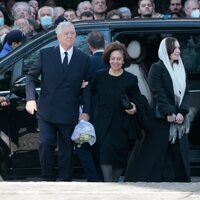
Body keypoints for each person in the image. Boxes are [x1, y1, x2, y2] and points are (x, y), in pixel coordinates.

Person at [25, 21, 91, 181]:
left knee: (67, 148)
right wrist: (31, 99)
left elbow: (88, 86)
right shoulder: (45, 54)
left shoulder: (83, 58)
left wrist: (86, 112)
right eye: (66, 33)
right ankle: (47, 177)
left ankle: (65, 180)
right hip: (47, 109)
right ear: (58, 36)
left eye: (72, 33)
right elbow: (31, 77)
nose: (70, 36)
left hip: (69, 110)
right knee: (46, 143)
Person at [125, 37, 190, 182]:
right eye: (174, 48)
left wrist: (182, 112)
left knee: (178, 154)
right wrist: (169, 112)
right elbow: (157, 92)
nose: (178, 51)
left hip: (178, 119)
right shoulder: (157, 67)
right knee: (154, 153)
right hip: (160, 118)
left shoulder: (181, 68)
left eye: (179, 48)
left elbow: (185, 93)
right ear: (166, 50)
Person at [92, 41, 145, 182]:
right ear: (108, 59)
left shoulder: (130, 79)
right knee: (105, 157)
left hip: (122, 126)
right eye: (113, 58)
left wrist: (134, 107)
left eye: (119, 59)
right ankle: (109, 186)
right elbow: (89, 95)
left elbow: (138, 99)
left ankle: (113, 185)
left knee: (119, 162)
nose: (115, 61)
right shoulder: (99, 76)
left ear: (123, 61)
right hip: (103, 126)